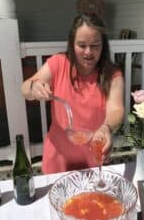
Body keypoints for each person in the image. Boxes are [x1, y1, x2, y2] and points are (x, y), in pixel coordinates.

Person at [21, 13, 124, 174]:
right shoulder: (58, 63)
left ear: (103, 45)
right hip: (58, 157)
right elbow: (25, 89)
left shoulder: (112, 74)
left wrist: (106, 127)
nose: (88, 52)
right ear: (72, 44)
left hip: (92, 156)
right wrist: (34, 87)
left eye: (95, 45)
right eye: (82, 45)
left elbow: (116, 109)